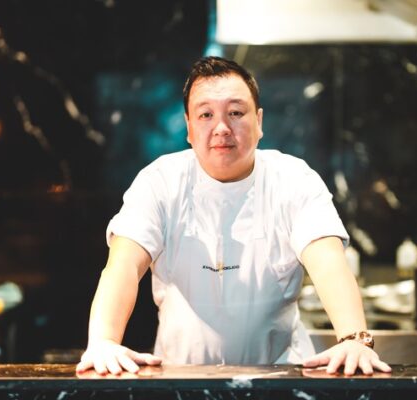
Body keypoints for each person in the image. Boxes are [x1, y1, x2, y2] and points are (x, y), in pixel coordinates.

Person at [76, 56, 391, 376]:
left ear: (259, 121)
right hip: (179, 377)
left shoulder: (294, 179)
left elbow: (328, 262)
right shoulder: (159, 182)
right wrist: (103, 341)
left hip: (281, 378)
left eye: (236, 113)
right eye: (206, 114)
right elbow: (124, 265)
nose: (222, 128)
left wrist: (355, 339)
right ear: (188, 127)